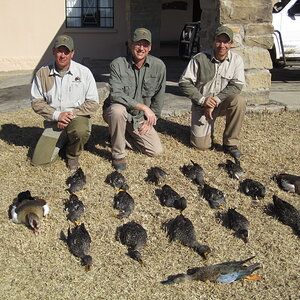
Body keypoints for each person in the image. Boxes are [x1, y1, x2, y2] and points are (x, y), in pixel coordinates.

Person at [31, 34, 99, 170]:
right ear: (53, 51)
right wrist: (57, 115)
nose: (63, 55)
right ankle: (64, 141)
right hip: (54, 121)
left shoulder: (84, 72)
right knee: (39, 161)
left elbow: (93, 102)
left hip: (76, 118)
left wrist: (69, 115)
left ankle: (72, 155)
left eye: (66, 52)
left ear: (72, 53)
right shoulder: (42, 73)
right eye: (59, 51)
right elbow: (36, 102)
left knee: (80, 130)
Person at [103, 28, 166, 170]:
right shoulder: (118, 64)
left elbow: (159, 97)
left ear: (150, 47)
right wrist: (144, 107)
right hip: (117, 112)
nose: (141, 48)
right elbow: (116, 95)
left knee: (155, 151)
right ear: (130, 44)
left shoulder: (159, 66)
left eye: (145, 45)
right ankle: (118, 154)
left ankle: (118, 134)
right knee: (117, 110)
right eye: (138, 44)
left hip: (138, 119)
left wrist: (151, 119)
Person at [179, 25, 246, 159]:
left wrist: (215, 100)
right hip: (201, 105)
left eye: (226, 42)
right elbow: (184, 83)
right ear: (213, 41)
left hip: (222, 103)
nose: (222, 45)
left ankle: (230, 143)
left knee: (239, 101)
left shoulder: (237, 60)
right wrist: (203, 100)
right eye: (218, 41)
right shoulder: (199, 58)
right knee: (201, 145)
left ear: (231, 44)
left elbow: (237, 85)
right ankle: (205, 131)